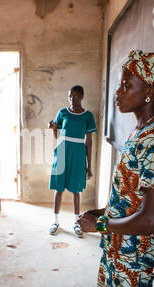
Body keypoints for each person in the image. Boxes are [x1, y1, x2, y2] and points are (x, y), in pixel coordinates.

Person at [78, 50, 154, 287]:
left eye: (127, 86)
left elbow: (152, 219)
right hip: (119, 246)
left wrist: (100, 225)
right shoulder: (139, 132)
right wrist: (103, 212)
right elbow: (131, 195)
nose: (118, 92)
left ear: (150, 91)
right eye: (120, 85)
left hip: (136, 258)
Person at [48, 85, 97, 238]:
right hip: (62, 152)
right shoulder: (62, 113)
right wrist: (53, 128)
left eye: (75, 96)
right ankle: (55, 221)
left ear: (81, 97)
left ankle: (77, 222)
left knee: (76, 190)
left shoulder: (88, 116)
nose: (71, 99)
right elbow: (57, 136)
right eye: (69, 96)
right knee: (59, 188)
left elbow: (89, 142)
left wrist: (89, 167)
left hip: (78, 154)